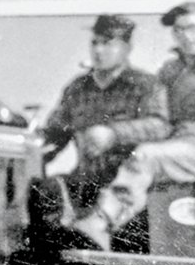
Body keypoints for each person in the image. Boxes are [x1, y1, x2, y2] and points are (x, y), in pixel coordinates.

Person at [68, 1, 195, 250]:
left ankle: (101, 221)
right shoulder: (169, 71)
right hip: (172, 141)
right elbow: (157, 119)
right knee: (133, 158)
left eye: (193, 28)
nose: (187, 35)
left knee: (145, 157)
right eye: (179, 30)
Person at [31, 15, 170, 244]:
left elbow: (160, 126)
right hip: (83, 190)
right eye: (95, 42)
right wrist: (30, 144)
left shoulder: (145, 86)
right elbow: (55, 134)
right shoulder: (77, 88)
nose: (98, 50)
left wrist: (114, 134)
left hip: (127, 197)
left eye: (108, 43)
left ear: (126, 47)